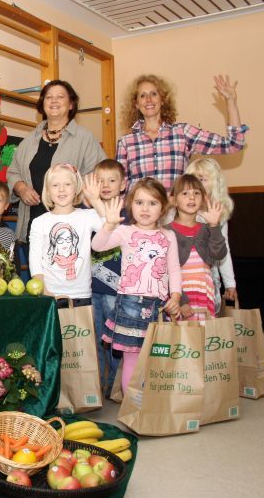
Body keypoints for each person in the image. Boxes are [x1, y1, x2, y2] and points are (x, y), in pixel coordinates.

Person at [92, 178, 182, 392]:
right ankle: (133, 407)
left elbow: (174, 268)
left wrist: (176, 296)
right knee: (133, 360)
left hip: (160, 307)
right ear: (131, 204)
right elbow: (97, 246)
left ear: (163, 208)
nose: (145, 209)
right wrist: (109, 225)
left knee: (156, 359)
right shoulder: (125, 232)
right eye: (140, 202)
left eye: (152, 203)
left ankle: (152, 406)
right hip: (130, 306)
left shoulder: (168, 236)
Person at [7, 79, 106, 252]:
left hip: (71, 227)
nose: (53, 101)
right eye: (48, 97)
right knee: (37, 277)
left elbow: (99, 175)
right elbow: (13, 171)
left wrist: (76, 194)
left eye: (60, 97)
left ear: (71, 104)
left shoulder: (84, 138)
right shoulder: (30, 139)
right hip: (34, 223)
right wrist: (21, 188)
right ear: (42, 104)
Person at [116, 74, 247, 192]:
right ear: (136, 104)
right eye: (142, 95)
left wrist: (231, 102)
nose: (148, 99)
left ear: (162, 100)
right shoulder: (125, 142)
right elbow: (120, 187)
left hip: (175, 215)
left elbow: (233, 145)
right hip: (139, 216)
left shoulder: (183, 133)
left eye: (154, 94)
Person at [28, 164, 103, 303]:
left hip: (81, 294)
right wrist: (43, 289)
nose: (61, 189)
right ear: (48, 191)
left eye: (67, 184)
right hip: (50, 294)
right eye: (55, 185)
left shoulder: (88, 216)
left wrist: (95, 200)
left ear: (76, 189)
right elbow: (35, 259)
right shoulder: (39, 222)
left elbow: (109, 229)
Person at [88, 159, 127, 396]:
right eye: (100, 180)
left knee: (114, 340)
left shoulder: (127, 214)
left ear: (123, 184)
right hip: (91, 287)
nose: (105, 185)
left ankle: (114, 384)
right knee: (93, 337)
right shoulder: (87, 214)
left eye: (112, 180)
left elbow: (114, 230)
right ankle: (94, 385)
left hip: (116, 290)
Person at [167, 174, 228, 320]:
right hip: (179, 295)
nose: (192, 197)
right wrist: (181, 300)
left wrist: (214, 226)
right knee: (181, 339)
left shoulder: (207, 229)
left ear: (203, 199)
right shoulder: (166, 232)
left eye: (196, 193)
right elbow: (164, 272)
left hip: (204, 293)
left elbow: (218, 255)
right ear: (173, 200)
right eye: (185, 193)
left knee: (204, 337)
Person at [183, 158, 237, 313]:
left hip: (208, 281)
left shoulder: (219, 214)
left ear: (215, 183)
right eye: (193, 178)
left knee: (207, 326)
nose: (196, 183)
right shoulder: (179, 212)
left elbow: (223, 249)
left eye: (202, 179)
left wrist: (230, 283)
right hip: (183, 281)